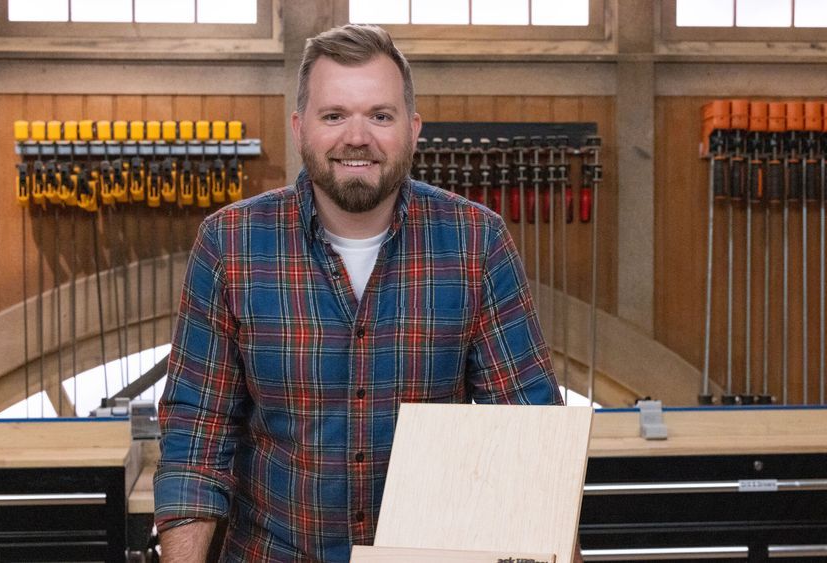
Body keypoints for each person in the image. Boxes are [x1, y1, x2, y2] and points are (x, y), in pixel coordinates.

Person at [153, 24, 563, 562]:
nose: (357, 136)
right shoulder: (230, 243)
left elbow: (527, 434)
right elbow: (196, 434)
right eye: (334, 115)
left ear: (414, 129)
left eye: (380, 115)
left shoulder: (476, 241)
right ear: (300, 128)